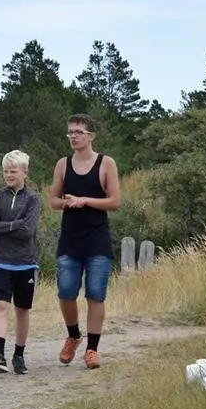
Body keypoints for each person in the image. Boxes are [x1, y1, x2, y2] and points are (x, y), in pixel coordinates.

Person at [48, 114, 122, 370]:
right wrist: (67, 202)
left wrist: (85, 201)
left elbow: (114, 202)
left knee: (95, 294)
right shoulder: (62, 165)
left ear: (91, 136)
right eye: (70, 132)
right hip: (70, 239)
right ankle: (73, 335)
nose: (73, 136)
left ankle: (92, 349)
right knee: (66, 291)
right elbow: (53, 201)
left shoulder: (106, 163)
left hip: (97, 239)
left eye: (78, 132)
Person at [0, 150, 41, 376]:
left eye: (13, 171)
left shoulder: (33, 198)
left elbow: (28, 231)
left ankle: (19, 354)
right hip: (2, 261)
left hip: (25, 263)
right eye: (5, 171)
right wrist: (14, 224)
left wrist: (5, 226)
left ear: (25, 172)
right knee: (1, 306)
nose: (8, 175)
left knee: (22, 310)